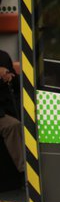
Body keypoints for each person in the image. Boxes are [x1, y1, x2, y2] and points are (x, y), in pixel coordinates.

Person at [0, 49, 25, 177]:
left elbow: (15, 81)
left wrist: (9, 76)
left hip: (8, 105)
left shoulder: (3, 55)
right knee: (12, 125)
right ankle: (24, 170)